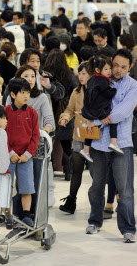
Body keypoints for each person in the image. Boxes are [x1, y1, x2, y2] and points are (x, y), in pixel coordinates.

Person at [85, 49, 137, 243]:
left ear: (130, 67)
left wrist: (97, 121)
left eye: (123, 67)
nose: (118, 70)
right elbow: (89, 104)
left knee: (124, 190)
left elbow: (122, 112)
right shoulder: (101, 79)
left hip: (122, 143)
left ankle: (128, 228)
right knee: (96, 186)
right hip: (98, 143)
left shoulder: (133, 86)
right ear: (111, 63)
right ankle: (94, 221)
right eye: (115, 65)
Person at [6, 65, 55, 213]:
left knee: (32, 185)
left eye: (33, 76)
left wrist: (39, 133)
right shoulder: (10, 98)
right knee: (12, 184)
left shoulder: (41, 98)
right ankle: (13, 215)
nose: (30, 79)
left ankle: (32, 216)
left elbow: (50, 122)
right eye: (26, 76)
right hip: (13, 150)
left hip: (35, 148)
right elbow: (6, 126)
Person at [58, 62, 94, 213]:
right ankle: (71, 201)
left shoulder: (98, 91)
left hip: (95, 137)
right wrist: (65, 117)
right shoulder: (76, 91)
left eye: (84, 73)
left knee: (97, 173)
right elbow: (70, 108)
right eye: (79, 73)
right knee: (76, 169)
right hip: (79, 135)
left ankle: (104, 202)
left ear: (92, 74)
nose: (81, 76)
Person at [5, 78, 40, 226]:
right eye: (22, 93)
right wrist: (9, 152)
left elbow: (35, 135)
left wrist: (28, 154)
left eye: (28, 92)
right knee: (6, 187)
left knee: (27, 187)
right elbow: (2, 134)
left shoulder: (32, 112)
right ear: (13, 94)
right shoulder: (5, 111)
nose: (26, 96)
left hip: (26, 157)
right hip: (9, 156)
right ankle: (8, 216)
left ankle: (26, 215)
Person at [43, 49, 78, 180]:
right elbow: (76, 91)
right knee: (66, 145)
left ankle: (49, 169)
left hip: (49, 110)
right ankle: (68, 171)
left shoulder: (45, 75)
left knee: (48, 142)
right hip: (65, 112)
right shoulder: (69, 75)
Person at [80, 55, 123, 163]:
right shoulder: (103, 81)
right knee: (112, 120)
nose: (109, 71)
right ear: (98, 70)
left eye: (109, 68)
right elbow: (107, 94)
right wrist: (113, 90)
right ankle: (113, 142)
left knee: (91, 127)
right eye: (106, 69)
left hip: (89, 109)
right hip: (99, 109)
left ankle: (86, 149)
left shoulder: (92, 79)